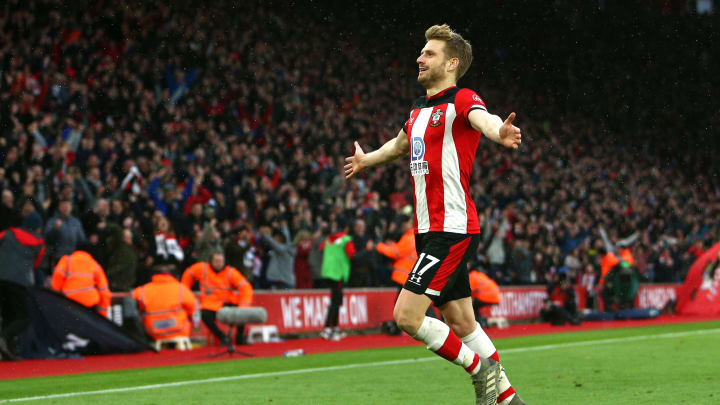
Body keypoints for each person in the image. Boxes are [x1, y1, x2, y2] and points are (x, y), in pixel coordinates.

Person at [344, 24, 524, 405]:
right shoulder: (419, 110)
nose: (420, 58)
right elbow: (396, 146)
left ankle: (482, 371)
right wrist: (365, 160)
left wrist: (498, 132)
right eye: (421, 52)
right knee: (461, 321)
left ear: (452, 62)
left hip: (451, 227)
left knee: (406, 317)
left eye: (429, 53)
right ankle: (508, 400)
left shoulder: (462, 98)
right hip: (429, 230)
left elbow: (484, 118)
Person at [181, 251, 252, 346]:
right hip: (210, 305)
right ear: (210, 261)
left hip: (228, 302)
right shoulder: (202, 268)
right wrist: (187, 293)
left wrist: (244, 305)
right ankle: (222, 337)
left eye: (221, 261)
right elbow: (188, 274)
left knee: (242, 312)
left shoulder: (230, 272)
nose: (219, 264)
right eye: (216, 261)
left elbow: (245, 287)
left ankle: (239, 337)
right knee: (204, 315)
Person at [0, 215, 46, 360]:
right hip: (20, 282)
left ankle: (9, 351)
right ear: (38, 227)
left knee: (8, 316)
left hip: (1, 279)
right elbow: (37, 264)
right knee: (23, 318)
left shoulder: (7, 234)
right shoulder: (39, 242)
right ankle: (3, 337)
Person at [132, 266, 198, 344]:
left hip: (153, 332)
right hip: (178, 330)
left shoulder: (142, 290)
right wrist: (196, 324)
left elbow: (133, 307)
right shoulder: (181, 289)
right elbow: (195, 308)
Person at [318, 218, 356, 341]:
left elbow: (320, 248)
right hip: (338, 273)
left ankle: (334, 327)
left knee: (335, 301)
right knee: (336, 302)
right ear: (346, 229)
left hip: (328, 272)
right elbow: (351, 254)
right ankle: (329, 328)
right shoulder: (345, 240)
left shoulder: (328, 240)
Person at [51, 250, 111, 317]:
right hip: (89, 305)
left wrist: (58, 292)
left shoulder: (67, 260)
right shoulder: (95, 265)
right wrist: (102, 315)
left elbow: (58, 276)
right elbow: (104, 292)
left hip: (69, 303)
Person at [44, 198, 87, 269]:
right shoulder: (52, 221)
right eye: (63, 207)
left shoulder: (76, 222)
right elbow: (47, 239)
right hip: (58, 258)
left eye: (67, 206)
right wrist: (55, 229)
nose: (65, 209)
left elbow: (81, 240)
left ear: (71, 207)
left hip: (73, 258)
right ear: (59, 208)